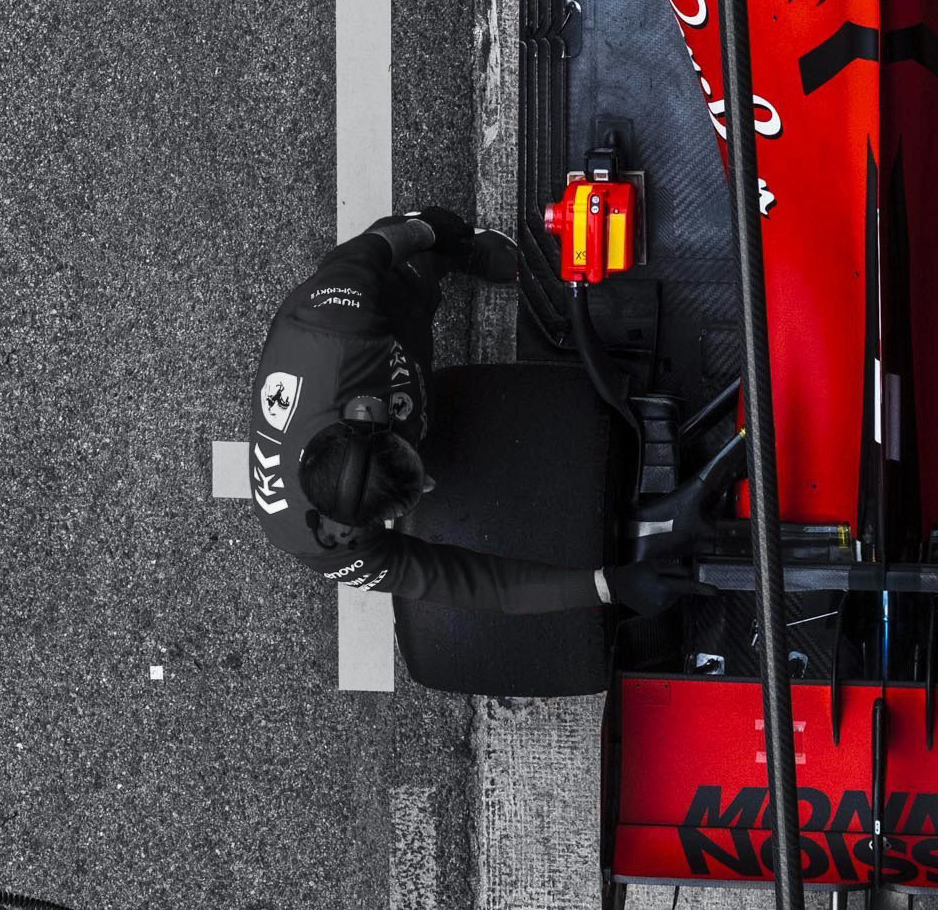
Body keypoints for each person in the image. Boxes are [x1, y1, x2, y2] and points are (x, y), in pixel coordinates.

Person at [248, 206, 664, 618]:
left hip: (353, 323)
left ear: (367, 413)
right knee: (422, 398)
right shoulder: (335, 548)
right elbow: (471, 585)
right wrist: (607, 586)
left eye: (415, 473)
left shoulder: (336, 330)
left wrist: (426, 231)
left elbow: (366, 252)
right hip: (363, 385)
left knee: (413, 272)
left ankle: (449, 252)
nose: (430, 483)